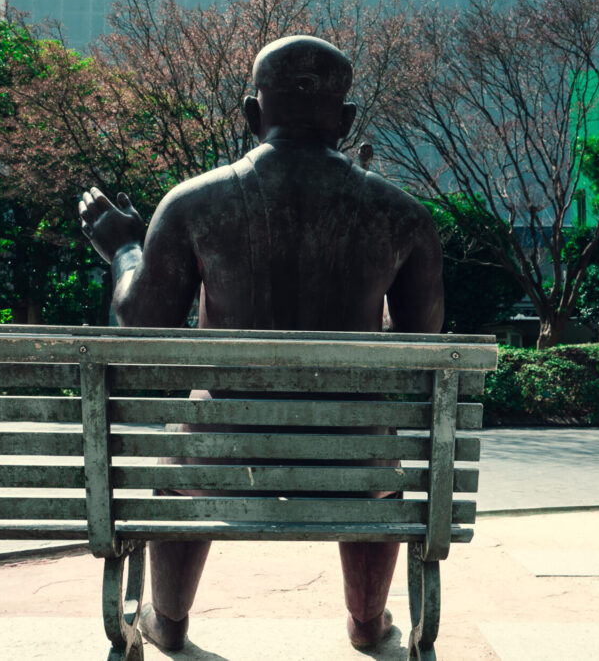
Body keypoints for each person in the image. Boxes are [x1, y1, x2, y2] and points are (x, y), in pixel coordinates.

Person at [77, 35, 444, 652]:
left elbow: (139, 324)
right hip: (352, 460)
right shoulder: (403, 215)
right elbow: (423, 344)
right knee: (378, 456)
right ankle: (365, 622)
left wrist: (124, 250)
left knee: (182, 454)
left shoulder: (192, 203)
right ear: (346, 120)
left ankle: (168, 620)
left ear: (252, 113)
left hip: (219, 454)